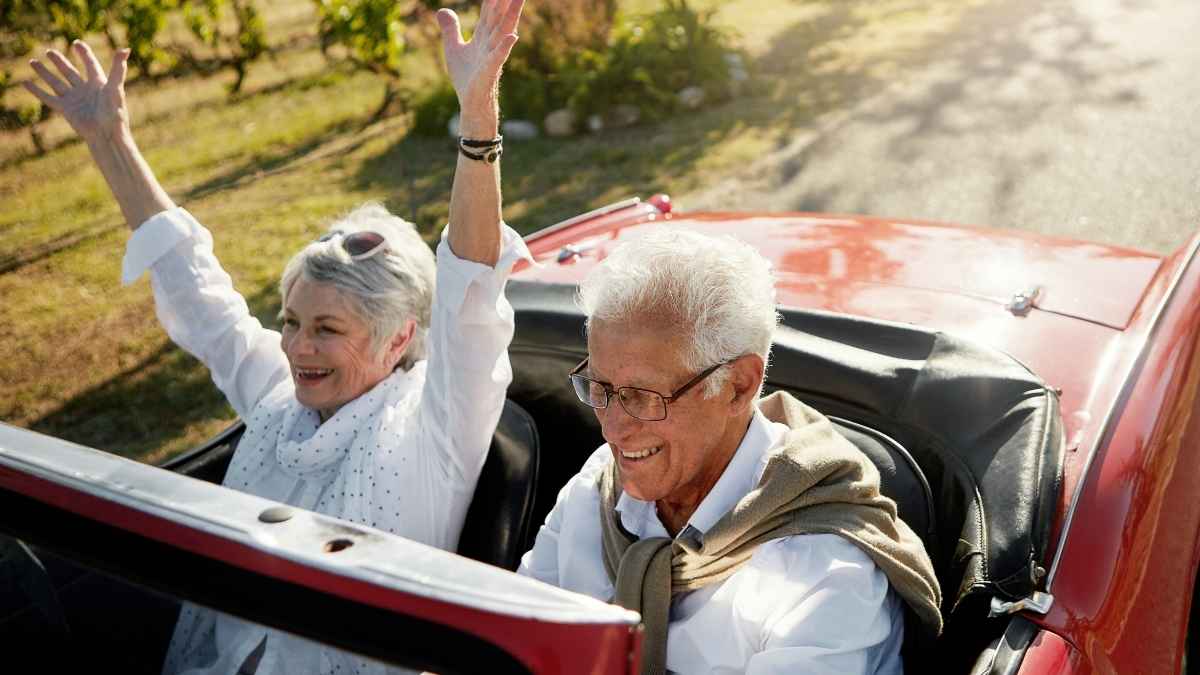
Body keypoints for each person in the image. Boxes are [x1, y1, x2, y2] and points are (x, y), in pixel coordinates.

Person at [24, 0, 526, 672]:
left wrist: (478, 114)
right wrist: (109, 138)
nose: (295, 347)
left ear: (400, 335)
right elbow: (198, 290)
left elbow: (469, 284)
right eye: (290, 322)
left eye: (326, 329)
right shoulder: (281, 399)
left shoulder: (436, 427)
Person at [517, 228, 942, 675]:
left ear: (739, 386)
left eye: (644, 395)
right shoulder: (597, 488)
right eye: (601, 388)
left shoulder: (825, 575)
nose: (614, 427)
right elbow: (510, 643)